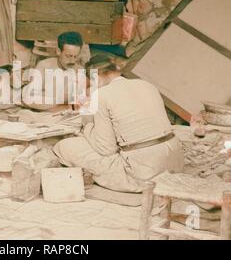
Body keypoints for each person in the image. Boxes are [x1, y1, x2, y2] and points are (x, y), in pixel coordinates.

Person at [53, 54, 184, 192]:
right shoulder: (146, 84)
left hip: (144, 172)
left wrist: (87, 125)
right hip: (174, 163)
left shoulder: (102, 94)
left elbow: (106, 149)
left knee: (65, 146)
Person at [22, 31, 87, 112]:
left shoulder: (79, 70)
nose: (72, 61)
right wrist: (60, 101)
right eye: (68, 56)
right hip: (43, 114)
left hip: (66, 114)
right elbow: (29, 98)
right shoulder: (44, 66)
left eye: (75, 57)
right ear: (58, 51)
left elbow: (80, 101)